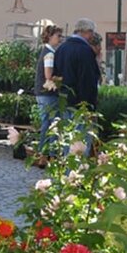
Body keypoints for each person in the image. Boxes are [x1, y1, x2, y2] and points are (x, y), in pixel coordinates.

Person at [53, 18, 101, 111]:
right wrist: (90, 102)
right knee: (80, 124)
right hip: (81, 101)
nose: (92, 36)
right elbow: (88, 78)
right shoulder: (85, 51)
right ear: (86, 32)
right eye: (92, 32)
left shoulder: (61, 49)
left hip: (63, 98)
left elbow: (56, 73)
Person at [33, 24, 63, 166]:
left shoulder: (45, 51)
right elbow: (48, 75)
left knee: (47, 123)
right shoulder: (50, 54)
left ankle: (43, 154)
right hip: (48, 93)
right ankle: (49, 155)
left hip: (41, 93)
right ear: (50, 37)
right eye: (58, 36)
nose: (60, 39)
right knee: (51, 123)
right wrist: (63, 78)